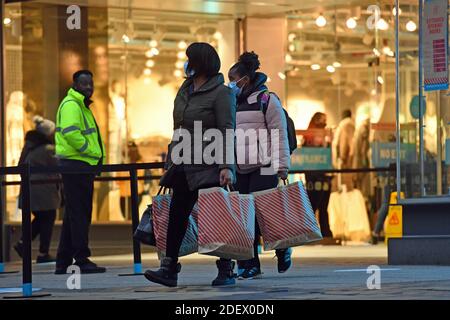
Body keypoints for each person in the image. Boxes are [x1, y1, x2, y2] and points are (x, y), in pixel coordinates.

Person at [144, 43, 236, 287]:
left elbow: (227, 129)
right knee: (176, 216)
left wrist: (227, 166)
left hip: (210, 165)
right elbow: (178, 128)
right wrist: (171, 157)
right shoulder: (184, 90)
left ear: (201, 63)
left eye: (189, 59)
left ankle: (226, 268)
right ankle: (169, 268)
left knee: (217, 219)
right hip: (184, 165)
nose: (186, 64)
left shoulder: (222, 93)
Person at [219, 51, 292, 281]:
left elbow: (279, 134)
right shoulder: (231, 103)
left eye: (234, 80)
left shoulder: (267, 100)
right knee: (244, 219)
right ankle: (250, 264)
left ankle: (283, 248)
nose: (231, 85)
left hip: (265, 165)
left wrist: (282, 165)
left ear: (246, 79)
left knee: (265, 215)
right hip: (240, 167)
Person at [54, 70, 106, 274]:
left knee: (73, 215)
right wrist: (92, 152)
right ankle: (82, 259)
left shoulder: (79, 105)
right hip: (77, 165)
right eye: (84, 84)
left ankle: (63, 260)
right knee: (80, 214)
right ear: (75, 85)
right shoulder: (72, 105)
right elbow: (71, 133)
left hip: (79, 166)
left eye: (91, 84)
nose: (88, 87)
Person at [14, 116, 62, 263]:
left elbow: (20, 166)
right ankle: (43, 253)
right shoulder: (47, 150)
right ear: (48, 134)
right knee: (48, 218)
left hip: (30, 190)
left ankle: (23, 244)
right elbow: (59, 166)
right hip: (44, 190)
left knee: (41, 218)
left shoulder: (29, 148)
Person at [303, 112, 336, 244]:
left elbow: (326, 153)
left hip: (323, 174)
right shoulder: (311, 136)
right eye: (322, 121)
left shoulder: (322, 134)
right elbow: (312, 155)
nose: (324, 123)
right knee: (314, 204)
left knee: (323, 205)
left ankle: (325, 232)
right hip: (315, 175)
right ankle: (313, 232)